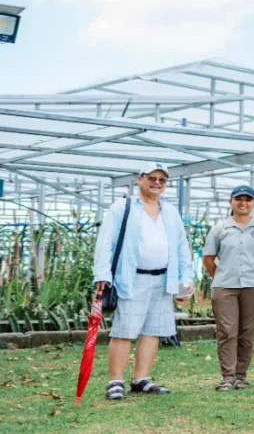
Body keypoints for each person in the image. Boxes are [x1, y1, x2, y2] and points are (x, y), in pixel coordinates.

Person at [92, 162, 195, 400]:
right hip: (132, 277)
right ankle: (115, 381)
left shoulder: (169, 211)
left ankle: (141, 379)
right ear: (140, 178)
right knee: (124, 330)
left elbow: (181, 246)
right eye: (152, 178)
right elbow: (106, 242)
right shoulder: (123, 207)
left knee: (153, 331)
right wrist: (103, 274)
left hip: (163, 279)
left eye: (162, 179)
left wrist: (186, 276)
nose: (156, 183)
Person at [202, 185, 254, 391]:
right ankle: (228, 376)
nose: (243, 203)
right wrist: (221, 275)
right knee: (227, 330)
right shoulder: (219, 229)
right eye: (238, 199)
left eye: (248, 199)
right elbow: (208, 259)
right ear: (231, 202)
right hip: (225, 286)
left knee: (248, 330)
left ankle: (241, 375)